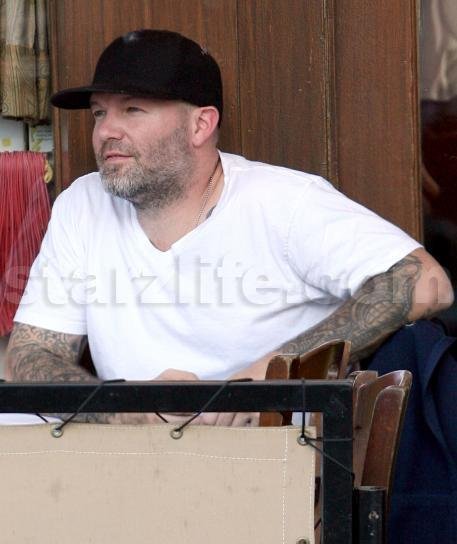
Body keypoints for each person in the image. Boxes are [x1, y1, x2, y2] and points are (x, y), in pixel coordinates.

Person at [5, 29, 453, 425]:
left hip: (276, 460)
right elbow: (30, 353)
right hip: (134, 458)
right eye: (99, 113)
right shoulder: (82, 203)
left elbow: (426, 282)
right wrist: (124, 410)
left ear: (201, 124)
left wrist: (262, 379)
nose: (107, 131)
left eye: (133, 110)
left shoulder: (284, 201)